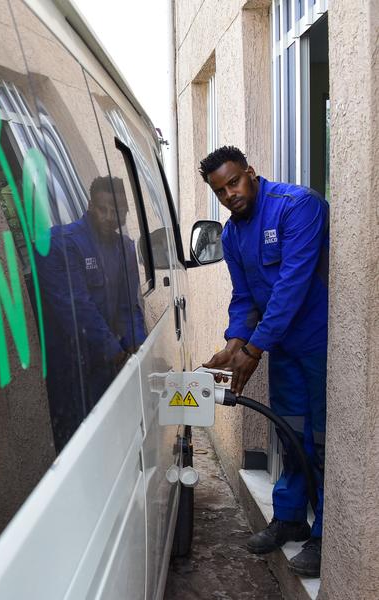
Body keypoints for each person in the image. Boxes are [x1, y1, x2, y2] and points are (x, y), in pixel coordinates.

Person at [199, 146, 329, 578]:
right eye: (220, 191)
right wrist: (234, 343)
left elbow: (292, 286)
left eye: (234, 182)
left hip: (317, 344)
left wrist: (253, 351)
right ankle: (290, 517)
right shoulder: (231, 235)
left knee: (321, 438)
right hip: (282, 348)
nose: (230, 195)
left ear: (251, 173)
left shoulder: (298, 207)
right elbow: (244, 298)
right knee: (289, 433)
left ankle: (325, 535)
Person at [37, 176, 146, 451]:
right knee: (76, 447)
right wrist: (117, 353)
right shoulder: (60, 244)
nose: (110, 217)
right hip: (69, 370)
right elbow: (76, 307)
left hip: (109, 367)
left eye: (117, 212)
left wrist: (139, 349)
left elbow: (128, 306)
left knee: (112, 444)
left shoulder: (126, 248)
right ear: (90, 206)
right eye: (102, 209)